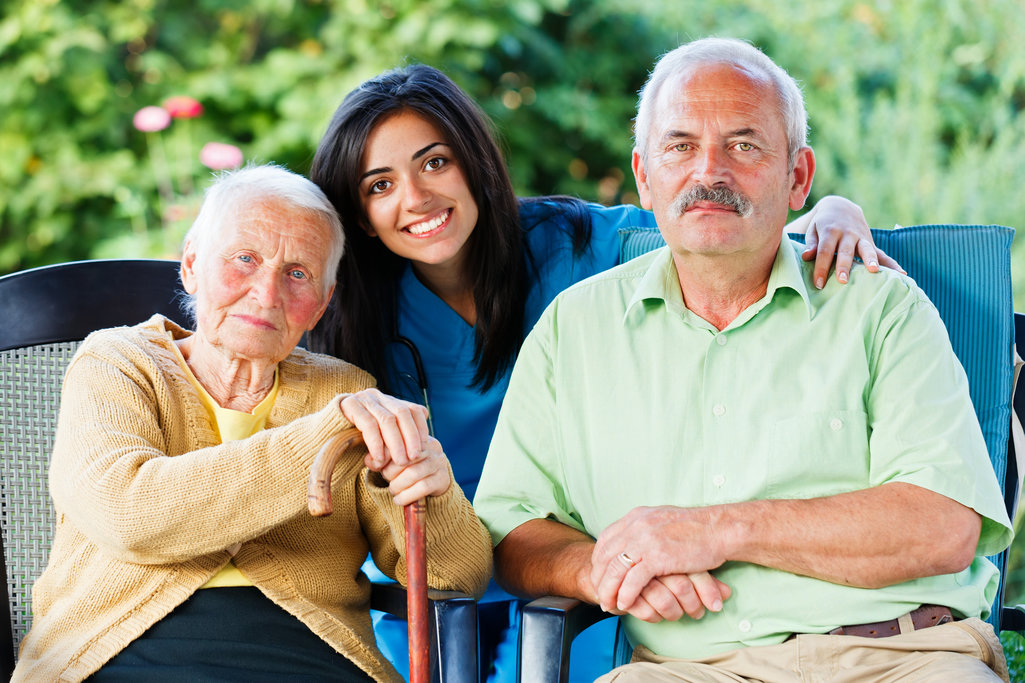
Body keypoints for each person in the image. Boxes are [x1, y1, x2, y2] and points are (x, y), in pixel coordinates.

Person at [308, 64, 901, 680]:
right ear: (356, 212)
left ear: (475, 162)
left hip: (565, 561)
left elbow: (717, 222)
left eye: (435, 163)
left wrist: (833, 210)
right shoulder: (350, 312)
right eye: (379, 185)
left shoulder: (577, 244)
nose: (415, 198)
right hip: (428, 572)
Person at [473, 37, 1013, 682]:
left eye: (745, 144)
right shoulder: (574, 328)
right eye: (680, 146)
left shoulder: (881, 307)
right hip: (685, 669)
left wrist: (714, 531)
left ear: (798, 178)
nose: (710, 172)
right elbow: (513, 528)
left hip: (902, 660)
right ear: (646, 177)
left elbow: (941, 526)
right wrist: (598, 569)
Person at [12, 164, 492, 683]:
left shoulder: (346, 391)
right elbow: (128, 518)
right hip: (119, 655)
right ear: (192, 264)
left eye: (298, 274)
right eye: (245, 259)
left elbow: (454, 577)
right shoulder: (117, 362)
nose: (267, 294)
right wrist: (323, 440)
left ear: (322, 305)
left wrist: (433, 492)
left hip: (308, 660)